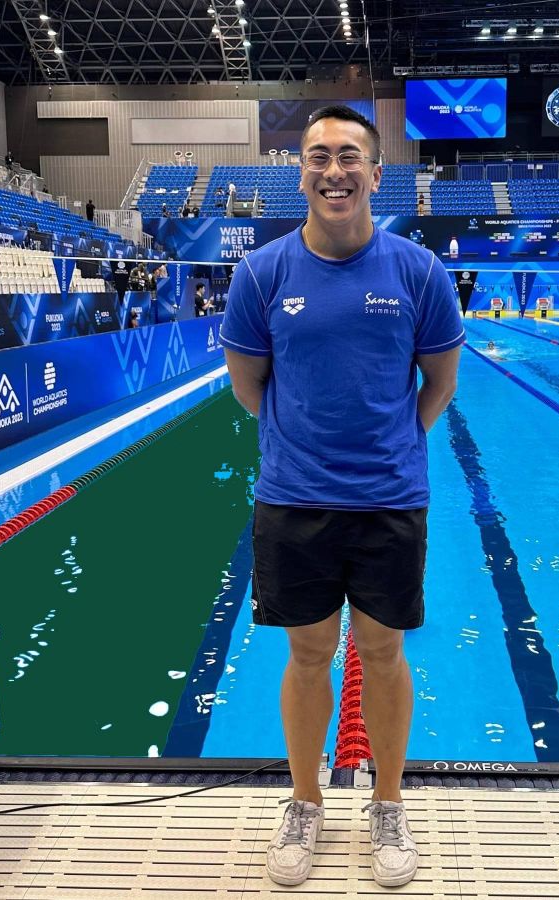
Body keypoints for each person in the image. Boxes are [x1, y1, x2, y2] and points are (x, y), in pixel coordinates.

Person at [220, 104, 462, 890]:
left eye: (349, 155)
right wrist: (311, 447)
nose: (334, 170)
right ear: (301, 171)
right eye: (318, 155)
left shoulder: (419, 272)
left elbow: (440, 385)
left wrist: (386, 444)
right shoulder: (260, 274)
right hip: (294, 500)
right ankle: (305, 802)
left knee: (384, 654)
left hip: (391, 499)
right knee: (308, 652)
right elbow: (249, 390)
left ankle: (388, 804)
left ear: (376, 172)